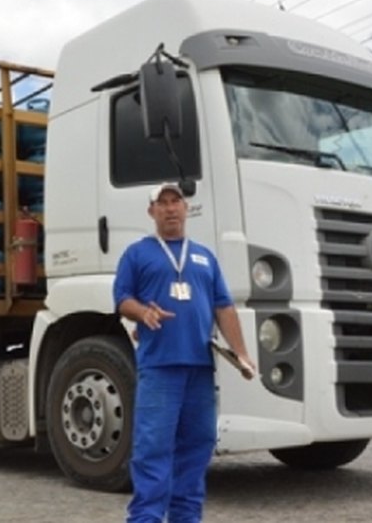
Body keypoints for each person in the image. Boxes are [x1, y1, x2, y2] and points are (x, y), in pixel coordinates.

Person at [113, 182, 255, 523]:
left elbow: (224, 308)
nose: (170, 208)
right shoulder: (137, 253)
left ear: (186, 208)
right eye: (162, 203)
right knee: (153, 451)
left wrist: (242, 354)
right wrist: (142, 313)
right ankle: (145, 518)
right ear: (152, 212)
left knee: (197, 448)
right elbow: (121, 299)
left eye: (176, 201)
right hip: (160, 368)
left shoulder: (205, 257)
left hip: (200, 371)